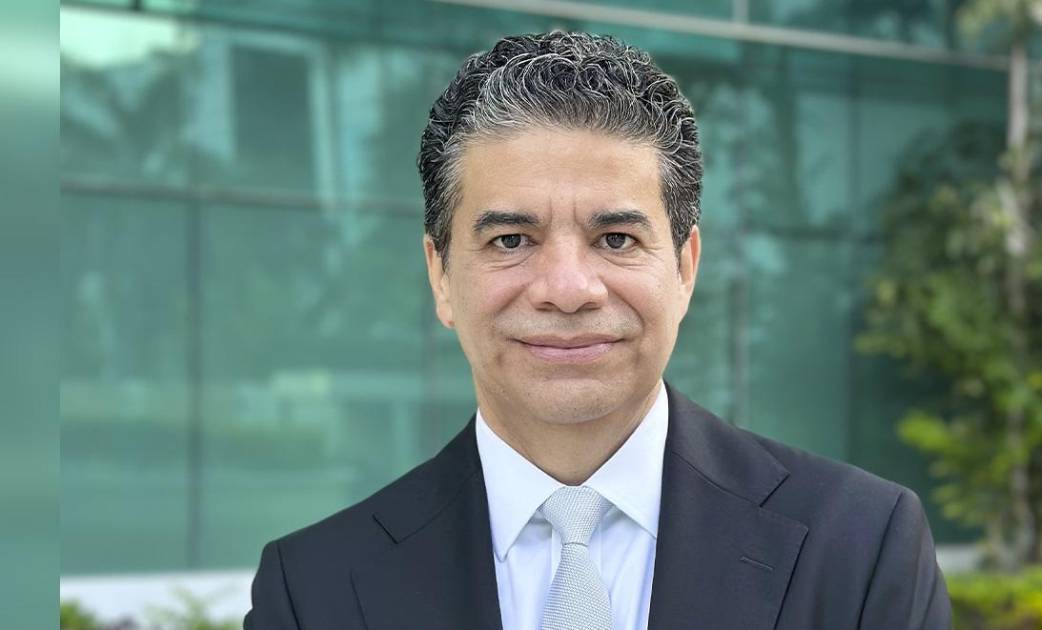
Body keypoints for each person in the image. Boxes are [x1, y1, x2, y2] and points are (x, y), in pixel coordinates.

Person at [244, 31, 950, 630]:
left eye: (615, 239)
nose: (568, 290)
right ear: (441, 276)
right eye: (511, 240)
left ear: (685, 268)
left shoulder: (861, 547)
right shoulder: (314, 591)